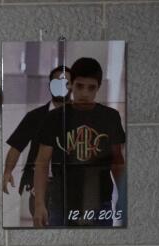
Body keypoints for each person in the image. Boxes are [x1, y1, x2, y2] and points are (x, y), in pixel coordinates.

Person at [32, 56, 127, 228]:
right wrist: (39, 204)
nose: (84, 93)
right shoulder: (55, 118)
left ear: (98, 88)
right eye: (80, 86)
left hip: (100, 201)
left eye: (91, 88)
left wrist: (124, 197)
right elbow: (42, 162)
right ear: (70, 85)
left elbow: (117, 161)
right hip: (62, 201)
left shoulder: (109, 117)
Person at [1, 65, 69, 219]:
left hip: (69, 183)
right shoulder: (35, 116)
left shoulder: (78, 117)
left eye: (65, 83)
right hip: (38, 183)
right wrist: (7, 171)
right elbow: (17, 146)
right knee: (40, 224)